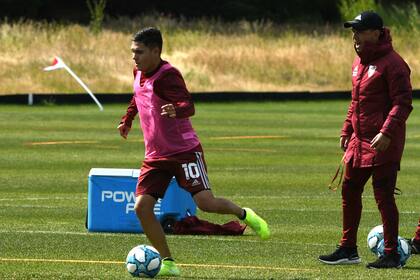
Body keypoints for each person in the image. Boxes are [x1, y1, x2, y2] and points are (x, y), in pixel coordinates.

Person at [118, 27, 270, 277]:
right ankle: (168, 262)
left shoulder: (169, 76)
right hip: (155, 155)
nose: (134, 57)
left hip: (184, 151)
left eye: (139, 52)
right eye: (133, 52)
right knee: (142, 208)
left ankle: (245, 214)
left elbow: (188, 104)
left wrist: (176, 110)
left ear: (156, 51)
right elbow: (137, 96)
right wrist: (127, 120)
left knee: (206, 203)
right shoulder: (138, 72)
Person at [318, 11, 412, 269]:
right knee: (349, 190)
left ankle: (391, 254)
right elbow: (355, 102)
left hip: (383, 143)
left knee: (383, 197)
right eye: (353, 31)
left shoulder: (394, 64)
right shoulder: (358, 63)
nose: (355, 36)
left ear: (376, 32)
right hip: (359, 143)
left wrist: (387, 131)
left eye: (359, 30)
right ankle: (348, 249)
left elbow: (403, 103)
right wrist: (346, 129)